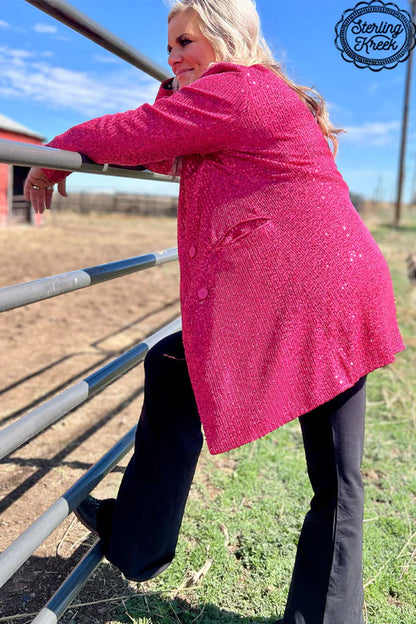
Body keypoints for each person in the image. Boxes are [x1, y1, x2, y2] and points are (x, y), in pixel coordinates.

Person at [24, 1, 404, 622]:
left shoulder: (240, 92)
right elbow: (167, 147)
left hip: (314, 302)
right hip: (337, 293)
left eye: (184, 41)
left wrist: (55, 147)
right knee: (331, 479)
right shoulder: (254, 98)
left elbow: (137, 134)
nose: (172, 56)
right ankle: (139, 538)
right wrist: (174, 87)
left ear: (226, 39)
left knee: (324, 475)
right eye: (167, 47)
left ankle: (139, 540)